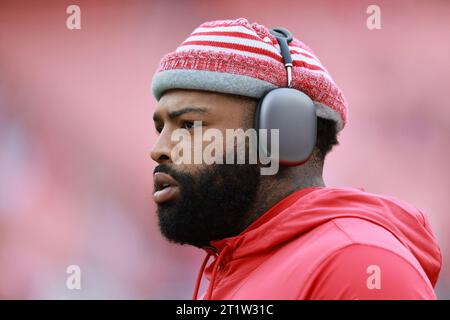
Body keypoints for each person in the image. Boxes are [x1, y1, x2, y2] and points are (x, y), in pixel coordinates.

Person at [149, 18, 441, 299]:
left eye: (189, 125)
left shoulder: (357, 264)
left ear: (282, 134)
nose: (158, 149)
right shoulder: (234, 270)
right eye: (161, 128)